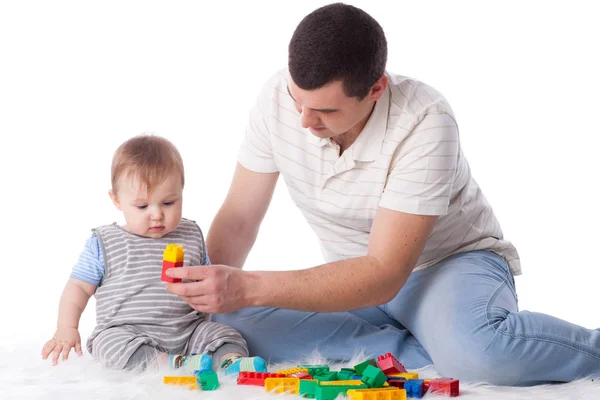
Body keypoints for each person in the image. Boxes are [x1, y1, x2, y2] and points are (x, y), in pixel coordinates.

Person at [166, 3, 600, 386]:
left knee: (483, 353)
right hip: (352, 279)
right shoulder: (277, 97)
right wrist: (207, 297)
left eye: (325, 110)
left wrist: (247, 288)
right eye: (298, 101)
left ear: (376, 88)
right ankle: (429, 347)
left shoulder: (426, 120)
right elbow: (241, 216)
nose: (304, 120)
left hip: (444, 268)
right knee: (228, 328)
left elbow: (385, 272)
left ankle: (476, 345)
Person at [41, 134, 266, 373]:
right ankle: (166, 364)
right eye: (142, 206)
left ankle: (231, 361)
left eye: (168, 203)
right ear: (116, 200)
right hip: (129, 332)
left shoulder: (191, 235)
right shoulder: (104, 242)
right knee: (108, 344)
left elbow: (207, 280)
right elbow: (78, 287)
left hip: (188, 332)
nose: (157, 214)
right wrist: (67, 327)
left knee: (223, 333)